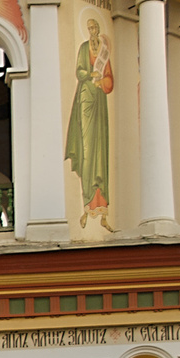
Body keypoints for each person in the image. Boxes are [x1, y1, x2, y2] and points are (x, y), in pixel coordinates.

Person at [65, 15, 113, 228]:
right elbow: (78, 70)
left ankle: (102, 208)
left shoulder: (103, 49)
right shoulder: (84, 47)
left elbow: (109, 77)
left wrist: (102, 80)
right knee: (86, 149)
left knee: (100, 151)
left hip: (99, 98)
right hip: (85, 97)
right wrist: (89, 74)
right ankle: (86, 205)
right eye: (89, 28)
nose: (92, 31)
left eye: (95, 27)